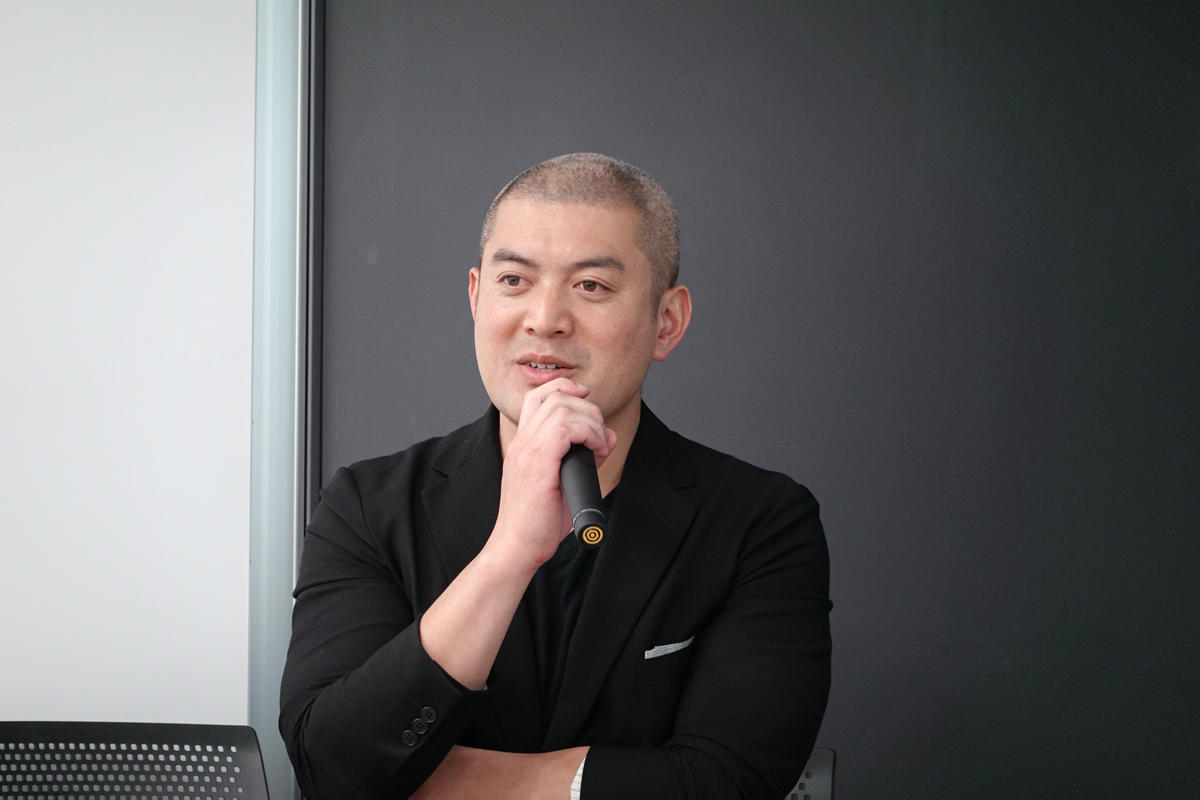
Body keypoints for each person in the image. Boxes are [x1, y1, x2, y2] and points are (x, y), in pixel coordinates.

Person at [279, 153, 831, 799]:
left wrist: (434, 783)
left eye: (591, 286)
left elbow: (729, 782)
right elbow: (331, 767)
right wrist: (510, 552)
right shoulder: (368, 506)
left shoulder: (760, 522)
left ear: (667, 322)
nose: (544, 318)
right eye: (514, 280)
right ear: (477, 298)